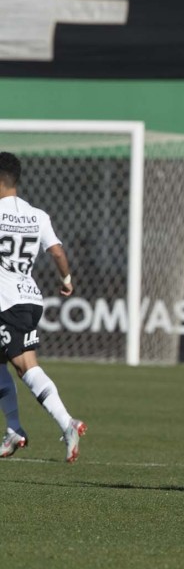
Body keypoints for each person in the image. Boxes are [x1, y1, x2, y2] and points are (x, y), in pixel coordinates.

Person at [0, 151, 86, 463]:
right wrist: (67, 280)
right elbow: (58, 252)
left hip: (6, 302)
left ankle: (67, 423)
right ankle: (14, 430)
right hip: (28, 297)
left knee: (25, 366)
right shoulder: (37, 215)